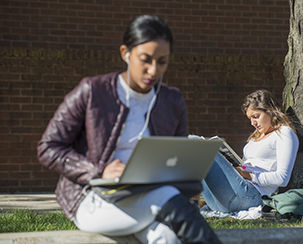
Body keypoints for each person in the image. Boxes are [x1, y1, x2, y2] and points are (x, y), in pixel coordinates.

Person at [37, 15, 222, 244]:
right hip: (94, 197)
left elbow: (177, 159)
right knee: (168, 199)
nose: (153, 70)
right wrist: (99, 170)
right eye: (145, 59)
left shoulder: (172, 101)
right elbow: (48, 148)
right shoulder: (92, 91)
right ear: (126, 53)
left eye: (162, 61)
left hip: (149, 195)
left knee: (166, 237)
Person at [201, 89, 299, 213]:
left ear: (270, 111)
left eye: (256, 117)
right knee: (193, 143)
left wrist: (246, 175)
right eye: (250, 119)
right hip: (224, 200)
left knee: (199, 143)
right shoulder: (255, 136)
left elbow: (282, 179)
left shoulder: (284, 133)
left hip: (253, 195)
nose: (253, 123)